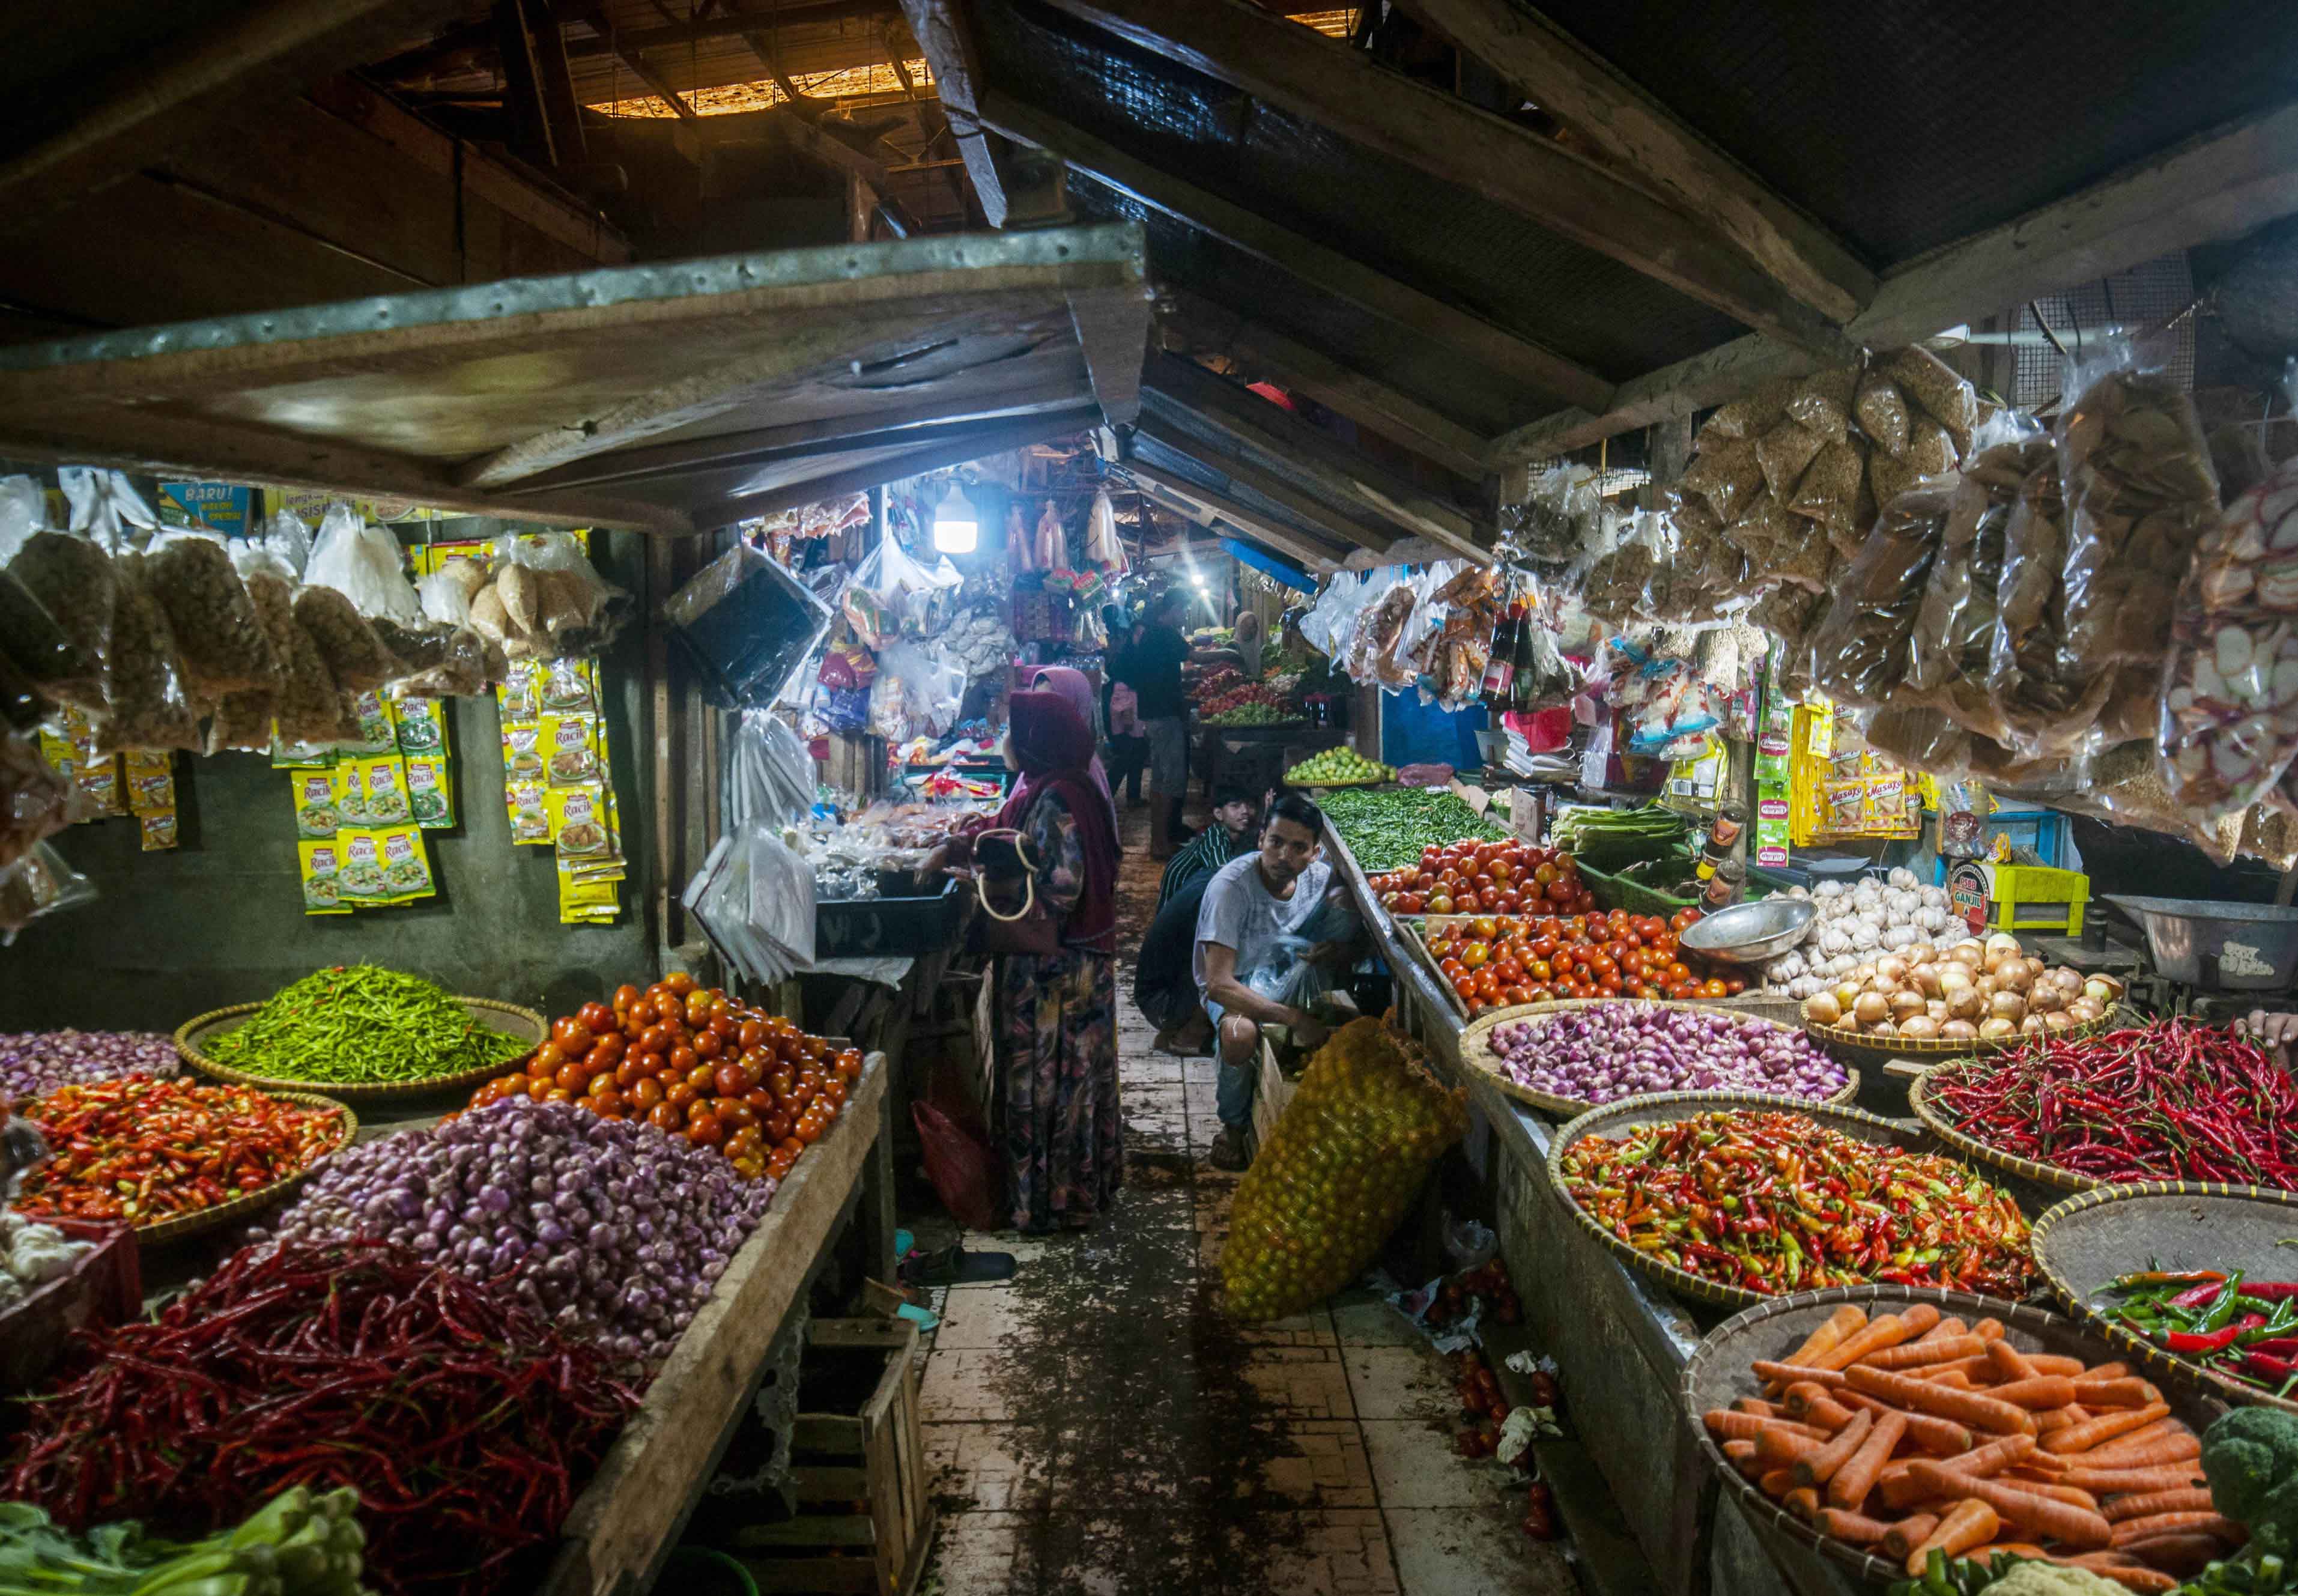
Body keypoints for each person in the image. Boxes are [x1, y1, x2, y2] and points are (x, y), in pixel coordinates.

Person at [971, 691, 1124, 1231]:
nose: (1007, 741)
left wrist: (1000, 886)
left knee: (1053, 1083)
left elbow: (1062, 887)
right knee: (1073, 1085)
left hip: (1058, 975)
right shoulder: (1068, 785)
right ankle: (1075, 1190)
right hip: (1080, 965)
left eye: (1015, 730)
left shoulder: (1059, 798)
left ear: (1036, 740)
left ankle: (1052, 1201)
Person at [1193, 793, 1360, 1171]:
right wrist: (1292, 1018)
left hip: (1284, 962)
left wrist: (1337, 951)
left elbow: (1347, 920)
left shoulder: (1318, 878)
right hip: (1236, 979)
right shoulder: (1231, 889)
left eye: (1298, 847)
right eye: (1276, 842)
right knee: (1239, 1036)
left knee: (1346, 902)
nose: (1284, 856)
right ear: (1260, 841)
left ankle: (1320, 1001)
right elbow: (1218, 985)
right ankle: (1232, 1128)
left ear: (1315, 853)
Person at [1123, 589, 1193, 860]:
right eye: (1184, 610)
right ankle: (1160, 843)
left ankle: (1160, 838)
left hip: (1154, 713)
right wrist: (1231, 652)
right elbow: (1194, 657)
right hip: (1164, 716)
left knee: (1160, 779)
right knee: (1168, 780)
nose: (1185, 615)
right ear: (1174, 608)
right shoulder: (1164, 633)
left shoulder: (1152, 632)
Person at [1029, 666, 1120, 842]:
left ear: (1075, 704)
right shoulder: (1048, 755)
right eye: (1037, 704)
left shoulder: (1082, 767)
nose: (1042, 715)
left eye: (1051, 704)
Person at [1157, 785, 1258, 912]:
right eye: (1235, 806)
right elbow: (1227, 878)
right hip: (1176, 918)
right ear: (1219, 814)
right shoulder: (1215, 840)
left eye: (1250, 806)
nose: (1245, 811)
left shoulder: (1229, 836)